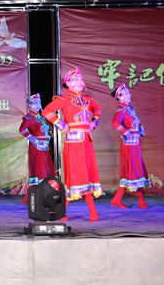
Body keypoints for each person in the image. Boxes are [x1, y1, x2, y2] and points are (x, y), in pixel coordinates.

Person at [42, 67, 103, 221]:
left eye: (80, 79)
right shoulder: (64, 98)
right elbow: (47, 112)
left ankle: (84, 212)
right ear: (68, 83)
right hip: (74, 142)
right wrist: (62, 125)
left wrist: (94, 122)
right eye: (75, 80)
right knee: (76, 175)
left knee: (88, 173)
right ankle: (81, 212)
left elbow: (97, 110)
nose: (79, 82)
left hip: (87, 141)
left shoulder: (88, 99)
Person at [109, 83, 151, 209]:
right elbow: (115, 123)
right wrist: (126, 133)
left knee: (137, 170)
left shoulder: (130, 109)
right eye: (126, 93)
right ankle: (139, 200)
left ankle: (117, 199)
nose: (129, 94)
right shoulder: (121, 109)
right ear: (120, 97)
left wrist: (140, 130)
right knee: (132, 171)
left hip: (136, 144)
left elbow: (136, 124)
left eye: (128, 92)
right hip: (129, 145)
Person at [18, 93, 56, 204]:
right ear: (30, 105)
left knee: (45, 170)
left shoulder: (41, 117)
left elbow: (46, 129)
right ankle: (41, 197)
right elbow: (22, 130)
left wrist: (49, 135)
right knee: (40, 170)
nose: (37, 105)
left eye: (39, 103)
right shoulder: (29, 117)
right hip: (37, 147)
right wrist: (34, 140)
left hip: (45, 147)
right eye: (35, 103)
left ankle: (32, 197)